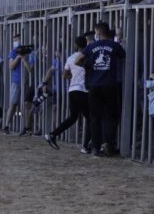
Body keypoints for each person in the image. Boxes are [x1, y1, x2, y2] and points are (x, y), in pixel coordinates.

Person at [76, 21, 125, 156]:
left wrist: (88, 66)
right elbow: (123, 56)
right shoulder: (115, 46)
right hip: (110, 85)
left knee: (95, 117)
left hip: (94, 85)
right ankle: (108, 145)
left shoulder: (91, 47)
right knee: (110, 116)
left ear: (97, 32)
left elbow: (77, 60)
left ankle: (95, 147)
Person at [44, 36, 91, 152]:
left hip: (72, 90)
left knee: (73, 117)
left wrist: (74, 76)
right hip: (83, 90)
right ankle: (85, 146)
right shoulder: (88, 56)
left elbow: (64, 76)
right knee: (91, 119)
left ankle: (53, 134)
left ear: (76, 45)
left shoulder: (70, 58)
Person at [3, 35, 35, 135]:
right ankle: (7, 125)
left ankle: (28, 128)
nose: (15, 42)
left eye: (17, 40)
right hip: (16, 81)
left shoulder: (30, 53)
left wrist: (24, 58)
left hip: (27, 82)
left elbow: (30, 69)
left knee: (27, 105)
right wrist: (18, 56)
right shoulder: (13, 51)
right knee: (13, 104)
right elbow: (11, 66)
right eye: (15, 40)